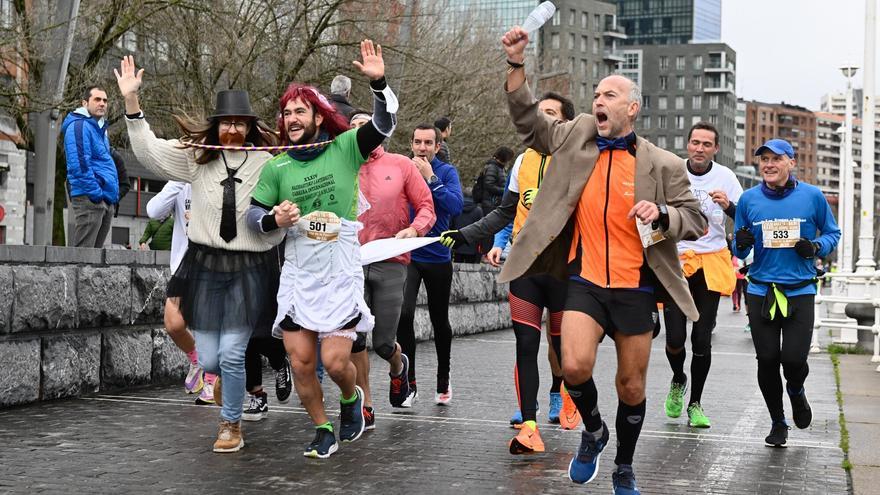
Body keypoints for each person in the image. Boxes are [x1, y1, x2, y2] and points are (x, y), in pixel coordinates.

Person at [499, 27, 706, 494]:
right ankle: (594, 431)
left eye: (610, 94)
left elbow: (695, 220)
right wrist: (516, 65)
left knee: (631, 387)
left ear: (632, 108)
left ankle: (624, 467)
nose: (599, 100)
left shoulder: (663, 164)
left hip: (636, 286)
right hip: (585, 279)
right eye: (596, 94)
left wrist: (664, 214)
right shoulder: (576, 136)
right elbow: (531, 125)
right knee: (572, 366)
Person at [117, 55, 285, 454]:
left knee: (231, 351)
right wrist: (131, 102)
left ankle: (231, 425)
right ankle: (221, 377)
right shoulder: (197, 157)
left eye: (239, 123)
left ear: (248, 127)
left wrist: (282, 218)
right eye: (225, 122)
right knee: (210, 358)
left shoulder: (269, 164)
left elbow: (283, 209)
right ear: (217, 125)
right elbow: (149, 151)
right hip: (205, 264)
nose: (231, 129)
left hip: (250, 266)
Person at [248, 40, 397, 459]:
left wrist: (379, 83)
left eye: (300, 111)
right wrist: (273, 220)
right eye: (286, 113)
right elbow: (254, 217)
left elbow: (385, 124)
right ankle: (322, 427)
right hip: (298, 272)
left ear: (317, 116)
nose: (291, 119)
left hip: (338, 271)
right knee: (299, 362)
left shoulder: (346, 147)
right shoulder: (277, 166)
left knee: (334, 362)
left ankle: (351, 398)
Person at [440, 92, 581, 456]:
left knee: (563, 347)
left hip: (566, 268)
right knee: (526, 344)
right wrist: (466, 235)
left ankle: (567, 391)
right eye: (540, 114)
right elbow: (504, 212)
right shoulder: (523, 160)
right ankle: (530, 426)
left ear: (566, 122)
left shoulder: (581, 159)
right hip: (526, 265)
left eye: (551, 114)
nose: (543, 120)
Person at [733, 138, 840, 447]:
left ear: (792, 163)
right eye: (764, 158)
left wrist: (817, 246)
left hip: (800, 290)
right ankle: (778, 421)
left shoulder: (813, 197)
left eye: (776, 159)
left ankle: (796, 390)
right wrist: (740, 241)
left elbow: (833, 233)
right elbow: (739, 249)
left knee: (793, 360)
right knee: (766, 359)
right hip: (761, 289)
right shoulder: (749, 200)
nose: (768, 164)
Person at [349, 111, 436, 429]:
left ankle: (399, 366)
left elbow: (427, 206)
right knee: (355, 337)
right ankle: (365, 404)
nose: (361, 132)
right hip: (350, 263)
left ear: (379, 132)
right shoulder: (341, 165)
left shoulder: (400, 165)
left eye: (366, 126)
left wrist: (415, 229)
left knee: (384, 342)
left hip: (390, 261)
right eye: (354, 126)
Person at [661, 122, 743, 429]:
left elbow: (744, 216)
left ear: (715, 149)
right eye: (695, 142)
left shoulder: (726, 177)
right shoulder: (671, 171)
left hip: (710, 261)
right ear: (687, 145)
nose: (699, 148)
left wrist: (729, 205)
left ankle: (695, 403)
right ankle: (678, 378)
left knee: (701, 339)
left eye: (706, 144)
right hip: (676, 261)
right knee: (674, 339)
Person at [396, 123, 463, 407]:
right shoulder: (401, 169)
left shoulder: (447, 172)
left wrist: (431, 178)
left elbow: (455, 206)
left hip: (438, 257)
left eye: (428, 143)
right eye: (418, 142)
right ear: (411, 144)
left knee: (439, 320)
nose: (422, 148)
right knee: (405, 314)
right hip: (409, 255)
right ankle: (408, 382)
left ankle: (443, 378)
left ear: (437, 146)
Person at [146, 180, 220, 404]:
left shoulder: (216, 175)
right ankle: (196, 359)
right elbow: (154, 211)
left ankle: (211, 378)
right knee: (173, 324)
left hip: (214, 263)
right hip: (183, 266)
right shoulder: (179, 184)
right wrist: (178, 178)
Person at [62, 85, 119, 248]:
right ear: (85, 103)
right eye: (97, 99)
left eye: (105, 100)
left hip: (103, 198)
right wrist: (95, 194)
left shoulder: (98, 128)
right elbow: (79, 165)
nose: (102, 103)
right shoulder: (79, 125)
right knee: (83, 256)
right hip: (90, 196)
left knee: (94, 258)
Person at [448, 188, 484, 263]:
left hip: (457, 246)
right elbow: (481, 228)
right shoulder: (478, 211)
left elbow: (450, 225)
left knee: (456, 268)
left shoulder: (456, 208)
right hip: (472, 247)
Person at [477, 146, 515, 215]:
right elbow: (489, 185)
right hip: (491, 204)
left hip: (495, 203)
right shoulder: (493, 167)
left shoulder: (499, 168)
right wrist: (505, 190)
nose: (509, 161)